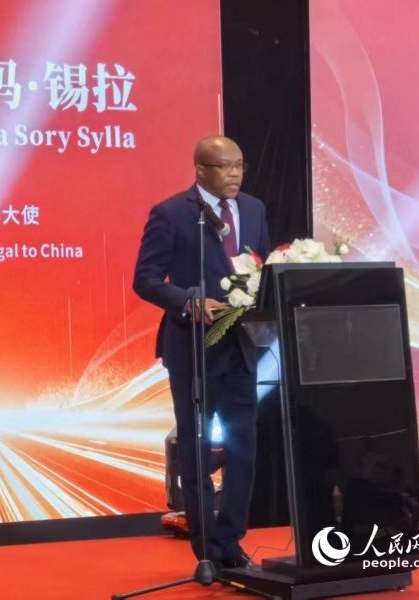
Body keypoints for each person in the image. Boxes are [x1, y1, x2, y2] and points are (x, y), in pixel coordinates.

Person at [133, 135, 271, 568]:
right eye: (224, 166)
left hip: (241, 346)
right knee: (196, 449)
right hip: (192, 347)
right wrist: (188, 300)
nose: (234, 174)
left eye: (239, 165)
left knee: (243, 447)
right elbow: (146, 279)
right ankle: (207, 548)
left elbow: (262, 267)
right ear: (200, 170)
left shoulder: (254, 209)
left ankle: (231, 541)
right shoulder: (173, 213)